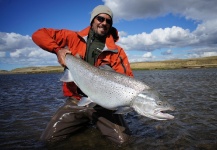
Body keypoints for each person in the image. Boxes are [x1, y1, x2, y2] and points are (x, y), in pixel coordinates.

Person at [32, 5, 134, 145]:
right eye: (100, 18)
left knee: (124, 142)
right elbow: (39, 35)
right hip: (76, 101)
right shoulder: (72, 38)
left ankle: (90, 123)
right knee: (48, 140)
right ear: (92, 20)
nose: (104, 23)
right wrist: (58, 50)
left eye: (108, 21)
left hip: (102, 106)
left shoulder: (117, 52)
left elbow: (128, 80)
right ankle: (84, 122)